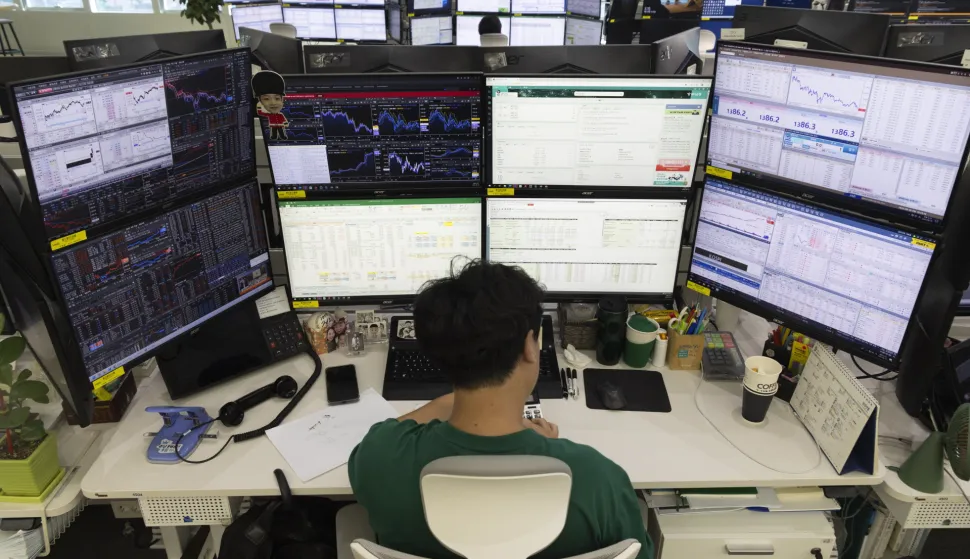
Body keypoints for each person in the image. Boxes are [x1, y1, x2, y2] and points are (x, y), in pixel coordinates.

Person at [349, 260, 652, 559]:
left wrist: (447, 401)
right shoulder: (597, 478)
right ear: (529, 348)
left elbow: (385, 435)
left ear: (437, 355)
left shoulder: (380, 457)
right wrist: (553, 451)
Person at [252, 70, 289, 140]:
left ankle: (282, 136)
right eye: (266, 99)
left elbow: (284, 120)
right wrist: (259, 107)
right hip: (273, 125)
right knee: (274, 132)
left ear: (282, 99)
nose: (273, 103)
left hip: (280, 125)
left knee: (281, 131)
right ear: (259, 101)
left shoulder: (280, 114)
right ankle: (274, 136)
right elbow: (261, 113)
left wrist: (285, 123)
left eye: (277, 98)